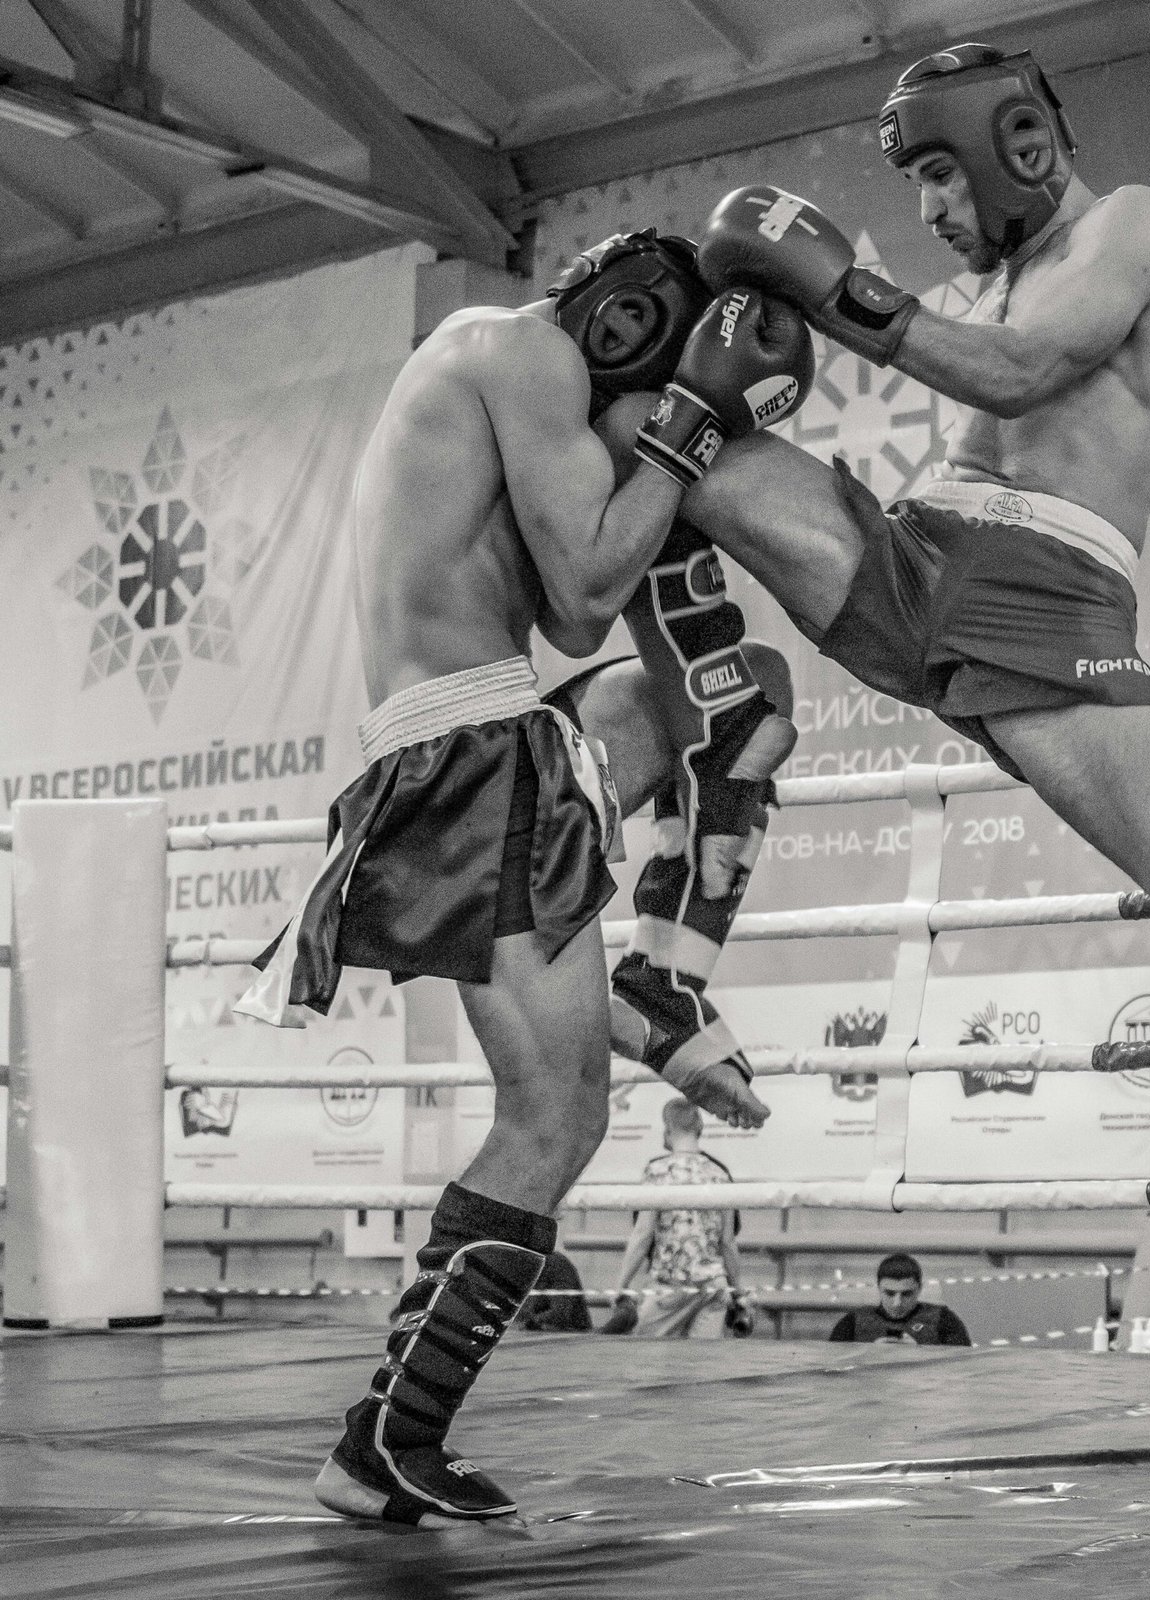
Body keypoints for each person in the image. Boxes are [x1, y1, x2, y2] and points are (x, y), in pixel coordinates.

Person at [667, 41, 1150, 1291]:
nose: (928, 211)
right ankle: (663, 887)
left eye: (940, 173)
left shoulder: (1133, 231)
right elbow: (954, 360)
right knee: (678, 445)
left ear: (1019, 148)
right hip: (912, 562)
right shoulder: (976, 288)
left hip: (1053, 594)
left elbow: (1027, 372)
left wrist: (832, 290)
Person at [232, 233, 814, 1524]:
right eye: (639, 402)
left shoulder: (493, 368)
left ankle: (657, 976)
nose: (623, 443)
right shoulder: (533, 350)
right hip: (471, 749)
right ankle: (385, 1441)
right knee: (556, 1120)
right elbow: (596, 574)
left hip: (495, 724)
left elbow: (567, 624)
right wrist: (683, 429)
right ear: (625, 334)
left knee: (738, 698)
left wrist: (654, 449)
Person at [612, 1097, 748, 1338]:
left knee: (645, 1364)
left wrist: (621, 1285)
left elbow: (643, 1235)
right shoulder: (719, 1174)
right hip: (713, 1287)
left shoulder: (657, 1172)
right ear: (700, 1129)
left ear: (667, 1129)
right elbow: (728, 1242)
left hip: (669, 1285)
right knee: (702, 1371)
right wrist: (739, 1294)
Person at [828, 1253, 972, 1346]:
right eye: (890, 1293)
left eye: (906, 1294)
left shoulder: (944, 1320)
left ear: (919, 1289)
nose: (897, 1303)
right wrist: (870, 1354)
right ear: (879, 1288)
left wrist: (920, 1355)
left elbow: (963, 1371)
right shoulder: (853, 1322)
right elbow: (831, 1372)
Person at [517, 1249, 593, 1334]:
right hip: (532, 1335)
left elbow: (560, 1312)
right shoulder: (515, 1265)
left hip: (567, 1337)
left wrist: (531, 1321)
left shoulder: (556, 1264)